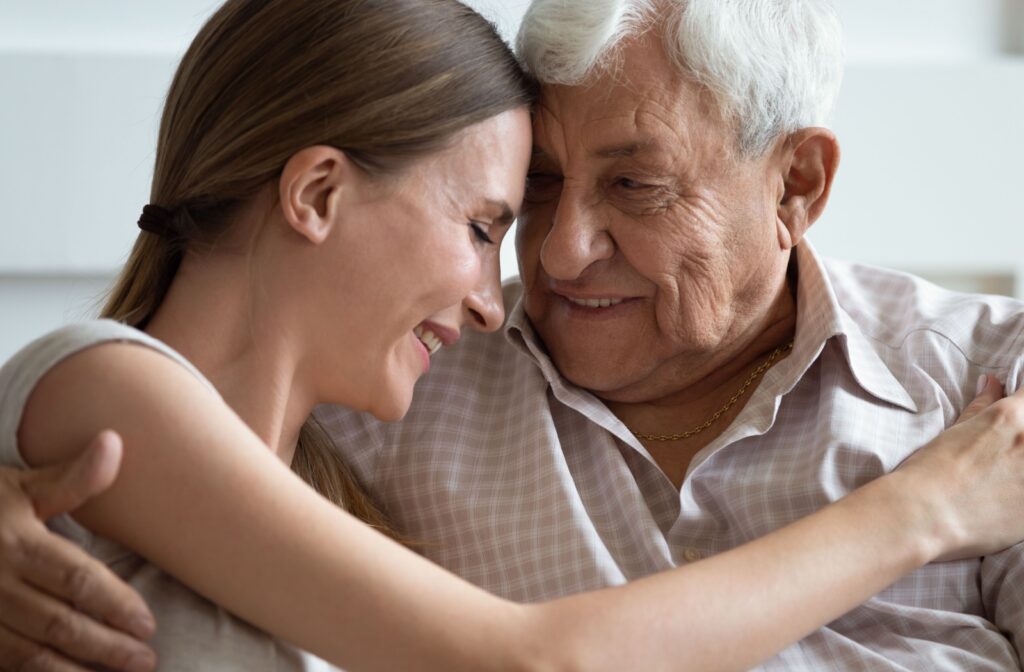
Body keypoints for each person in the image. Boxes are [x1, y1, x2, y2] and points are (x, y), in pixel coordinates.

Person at [3, 1, 1024, 672]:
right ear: (316, 192)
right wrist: (919, 509)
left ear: (795, 184)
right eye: (519, 203)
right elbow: (530, 662)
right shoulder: (364, 392)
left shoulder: (987, 397)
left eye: (634, 184)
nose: (550, 260)